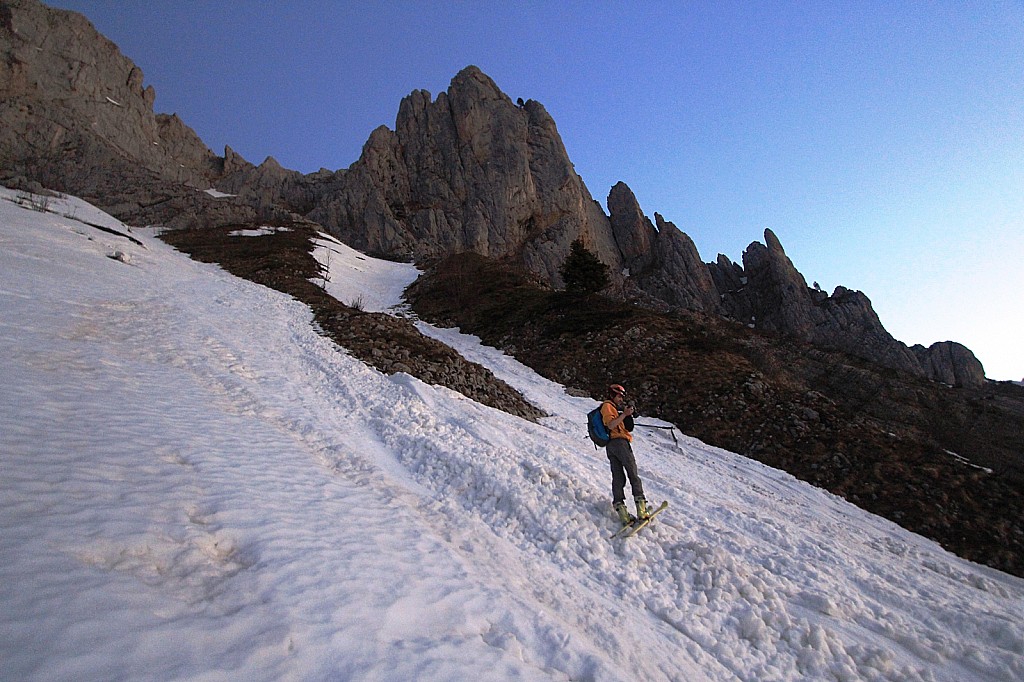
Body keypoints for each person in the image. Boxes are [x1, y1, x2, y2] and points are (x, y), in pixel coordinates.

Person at [601, 383, 650, 525]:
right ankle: (642, 509)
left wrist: (626, 415)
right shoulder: (608, 406)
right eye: (619, 396)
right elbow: (610, 425)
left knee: (618, 477)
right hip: (620, 443)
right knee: (633, 474)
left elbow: (628, 427)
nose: (621, 399)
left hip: (611, 446)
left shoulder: (614, 408)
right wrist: (624, 414)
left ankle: (622, 511)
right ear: (612, 395)